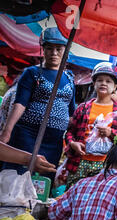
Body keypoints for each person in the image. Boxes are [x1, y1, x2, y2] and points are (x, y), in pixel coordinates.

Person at [0, 27, 76, 182]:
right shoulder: (32, 73)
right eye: (49, 48)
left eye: (58, 49)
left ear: (66, 50)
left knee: (44, 177)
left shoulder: (69, 78)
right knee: (19, 174)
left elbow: (71, 112)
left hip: (54, 139)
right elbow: (20, 103)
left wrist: (73, 138)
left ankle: (35, 206)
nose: (54, 53)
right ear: (43, 50)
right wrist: (7, 132)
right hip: (28, 134)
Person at [64, 62, 117, 189]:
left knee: (98, 198)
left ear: (115, 86)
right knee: (74, 194)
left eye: (108, 81)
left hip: (106, 165)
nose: (103, 83)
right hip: (79, 162)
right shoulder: (83, 108)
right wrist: (72, 144)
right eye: (99, 80)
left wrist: (112, 134)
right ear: (94, 84)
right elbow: (70, 132)